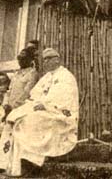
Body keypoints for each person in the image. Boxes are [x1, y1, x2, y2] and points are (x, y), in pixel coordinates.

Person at [0, 48, 79, 177]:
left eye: (49, 59)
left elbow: (66, 101)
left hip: (60, 116)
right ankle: (6, 164)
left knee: (30, 121)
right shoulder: (46, 77)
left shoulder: (66, 77)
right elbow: (34, 96)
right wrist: (33, 104)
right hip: (43, 110)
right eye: (44, 60)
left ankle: (30, 162)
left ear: (57, 60)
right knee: (14, 118)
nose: (46, 62)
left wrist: (46, 105)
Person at [2, 49, 38, 122]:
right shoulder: (16, 74)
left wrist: (12, 107)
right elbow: (9, 91)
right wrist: (5, 104)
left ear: (30, 60)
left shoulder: (32, 74)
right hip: (7, 109)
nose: (21, 60)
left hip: (20, 109)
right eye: (19, 58)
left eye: (24, 58)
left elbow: (26, 93)